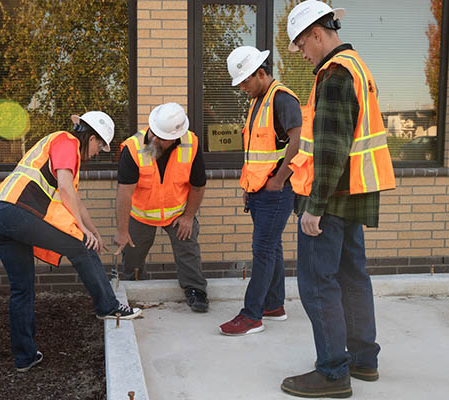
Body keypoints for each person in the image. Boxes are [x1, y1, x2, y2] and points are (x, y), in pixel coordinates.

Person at [281, 1, 396, 398]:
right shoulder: (358, 68)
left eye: (300, 44)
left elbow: (330, 149)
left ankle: (332, 372)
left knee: (317, 283)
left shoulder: (333, 76)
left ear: (316, 32)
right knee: (352, 276)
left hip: (329, 199)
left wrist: (314, 207)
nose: (300, 52)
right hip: (354, 195)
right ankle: (364, 359)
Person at [0, 111, 142, 373]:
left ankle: (25, 357)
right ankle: (109, 307)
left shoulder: (59, 152)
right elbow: (66, 191)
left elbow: (75, 201)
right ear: (90, 137)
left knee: (21, 289)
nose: (98, 152)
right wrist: (83, 233)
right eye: (100, 146)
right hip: (17, 212)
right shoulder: (67, 142)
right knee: (80, 245)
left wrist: (94, 232)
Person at [219, 46, 302, 335]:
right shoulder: (259, 101)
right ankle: (274, 305)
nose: (242, 88)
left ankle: (252, 315)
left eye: (245, 81)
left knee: (263, 250)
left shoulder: (282, 99)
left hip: (276, 191)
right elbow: (256, 152)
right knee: (273, 247)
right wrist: (248, 186)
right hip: (260, 191)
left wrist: (279, 180)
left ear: (261, 73)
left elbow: (299, 144)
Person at [114, 102, 209, 312]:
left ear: (175, 137)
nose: (155, 139)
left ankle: (196, 291)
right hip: (140, 214)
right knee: (132, 257)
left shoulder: (190, 143)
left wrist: (188, 217)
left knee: (188, 249)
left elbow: (198, 185)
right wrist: (122, 231)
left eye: (162, 138)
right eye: (154, 134)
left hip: (178, 212)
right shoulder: (133, 147)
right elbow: (124, 193)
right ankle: (132, 290)